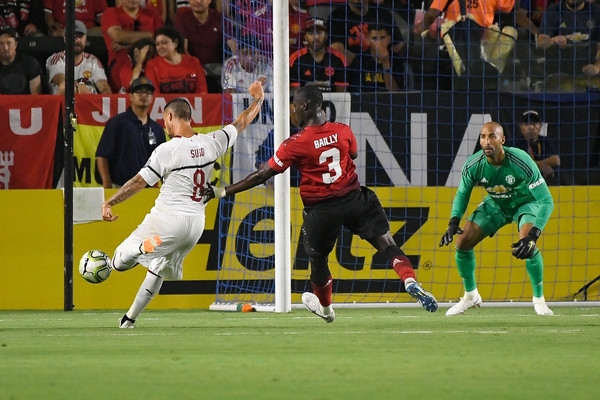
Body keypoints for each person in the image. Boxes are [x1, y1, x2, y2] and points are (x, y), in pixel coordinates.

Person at [201, 83, 439, 322]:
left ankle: (326, 310)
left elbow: (261, 175)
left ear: (305, 106)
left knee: (318, 261)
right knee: (387, 244)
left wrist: (221, 191)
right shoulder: (343, 130)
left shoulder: (295, 143)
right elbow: (353, 154)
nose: (293, 111)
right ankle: (409, 280)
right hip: (354, 199)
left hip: (322, 210)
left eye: (295, 106)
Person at [101, 79, 265, 328]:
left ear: (169, 117)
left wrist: (110, 202)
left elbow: (137, 183)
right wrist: (258, 99)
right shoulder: (212, 141)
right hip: (195, 225)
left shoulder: (166, 150)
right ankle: (129, 319)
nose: (164, 125)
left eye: (165, 120)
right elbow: (241, 122)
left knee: (120, 261)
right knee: (158, 267)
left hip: (168, 219)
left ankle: (139, 248)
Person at [439, 121, 555, 316]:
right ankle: (470, 296)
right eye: (483, 137)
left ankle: (539, 299)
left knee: (527, 243)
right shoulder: (473, 165)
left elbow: (546, 200)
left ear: (502, 140)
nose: (487, 141)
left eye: (492, 136)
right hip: (496, 204)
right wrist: (453, 221)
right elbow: (462, 194)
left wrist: (534, 235)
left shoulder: (521, 161)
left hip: (525, 203)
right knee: (462, 242)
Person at [96, 77, 165, 188]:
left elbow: (162, 161)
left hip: (148, 189)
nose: (144, 95)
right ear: (131, 96)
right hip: (120, 187)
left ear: (152, 98)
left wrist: (165, 186)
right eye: (139, 92)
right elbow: (102, 156)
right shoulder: (117, 123)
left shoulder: (157, 129)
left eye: (148, 92)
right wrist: (107, 184)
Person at [536, 0, 600, 90]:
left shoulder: (596, 12)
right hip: (560, 73)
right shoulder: (553, 11)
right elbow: (541, 42)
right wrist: (553, 40)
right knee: (568, 89)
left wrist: (597, 67)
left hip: (589, 73)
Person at [328, 0, 404, 66]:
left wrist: (383, 60)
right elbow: (336, 48)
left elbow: (398, 43)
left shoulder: (383, 13)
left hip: (382, 66)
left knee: (405, 69)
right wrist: (363, 66)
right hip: (351, 69)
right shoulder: (337, 16)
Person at [45, 20, 111, 95]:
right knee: (64, 87)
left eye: (80, 36)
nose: (77, 40)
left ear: (85, 39)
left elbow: (104, 87)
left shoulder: (93, 60)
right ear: (65, 39)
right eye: (73, 36)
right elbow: (62, 81)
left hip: (88, 100)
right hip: (64, 100)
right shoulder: (56, 59)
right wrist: (79, 86)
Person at [175, 0, 223, 93]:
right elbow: (183, 49)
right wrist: (198, 68)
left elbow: (232, 44)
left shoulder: (220, 18)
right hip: (192, 67)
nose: (197, 1)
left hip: (217, 68)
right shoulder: (182, 19)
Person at [289, 17, 348, 93]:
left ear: (326, 36)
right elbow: (295, 94)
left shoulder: (339, 59)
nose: (316, 37)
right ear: (305, 37)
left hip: (332, 100)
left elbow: (342, 95)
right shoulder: (295, 60)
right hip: (305, 100)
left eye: (319, 32)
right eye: (311, 33)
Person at [144, 25, 208, 94]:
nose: (160, 47)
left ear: (175, 43)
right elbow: (154, 95)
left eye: (164, 43)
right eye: (157, 44)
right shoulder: (152, 65)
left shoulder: (194, 62)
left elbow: (202, 91)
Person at [101, 0, 163, 70]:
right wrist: (149, 35)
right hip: (121, 65)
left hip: (152, 63)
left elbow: (162, 40)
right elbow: (118, 37)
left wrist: (127, 45)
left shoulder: (152, 14)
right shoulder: (111, 13)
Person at [348, 24, 405, 93]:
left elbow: (396, 93)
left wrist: (386, 63)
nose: (379, 43)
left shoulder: (396, 60)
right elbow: (356, 92)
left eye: (382, 38)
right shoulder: (359, 61)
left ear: (389, 39)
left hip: (387, 99)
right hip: (367, 99)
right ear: (367, 40)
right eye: (374, 38)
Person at [515, 110, 561, 184]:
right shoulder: (516, 143)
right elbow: (518, 164)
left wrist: (539, 164)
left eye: (534, 123)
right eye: (526, 124)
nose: (531, 127)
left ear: (541, 126)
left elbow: (556, 160)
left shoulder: (545, 140)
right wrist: (541, 166)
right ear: (520, 127)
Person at [0, 25, 42, 94]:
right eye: (1, 44)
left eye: (9, 43)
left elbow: (36, 96)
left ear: (15, 45)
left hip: (26, 101)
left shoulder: (30, 63)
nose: (5, 48)